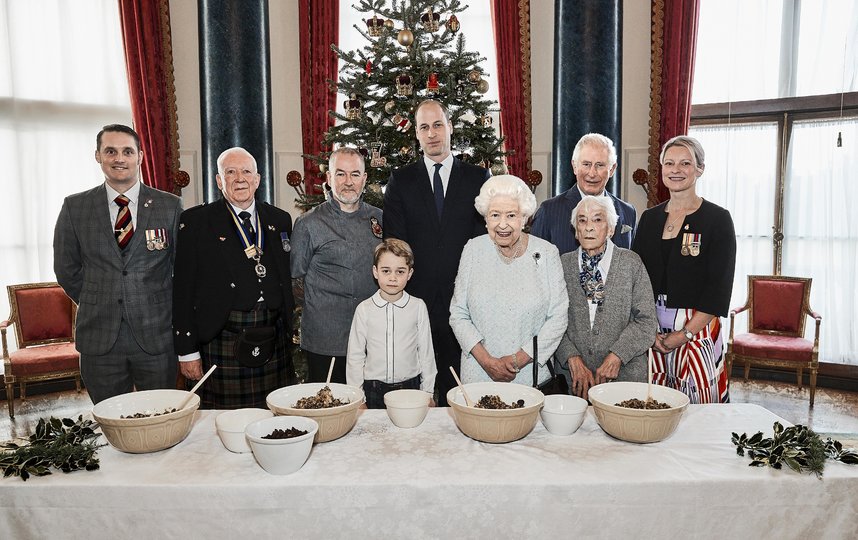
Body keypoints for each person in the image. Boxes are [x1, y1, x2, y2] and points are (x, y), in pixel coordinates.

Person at [53, 124, 182, 404]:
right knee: (111, 422)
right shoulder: (75, 207)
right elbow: (66, 269)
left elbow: (179, 269)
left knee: (160, 418)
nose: (119, 158)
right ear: (98, 156)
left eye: (127, 151)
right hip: (99, 339)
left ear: (141, 157)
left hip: (156, 337)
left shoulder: (169, 206)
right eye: (110, 151)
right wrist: (97, 299)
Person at [383, 99, 490, 405]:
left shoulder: (477, 179)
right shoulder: (401, 181)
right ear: (416, 134)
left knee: (462, 393)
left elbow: (484, 242)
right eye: (424, 127)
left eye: (438, 124)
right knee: (422, 392)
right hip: (417, 302)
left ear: (450, 127)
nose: (432, 134)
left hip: (465, 305)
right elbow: (396, 243)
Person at [172, 147, 296, 409]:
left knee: (277, 416)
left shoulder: (280, 219)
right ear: (219, 181)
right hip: (221, 336)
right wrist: (187, 350)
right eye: (230, 172)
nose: (240, 178)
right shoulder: (196, 222)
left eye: (246, 171)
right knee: (223, 422)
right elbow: (182, 289)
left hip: (273, 335)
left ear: (257, 179)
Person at [632, 135, 736, 404]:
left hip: (697, 328)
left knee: (699, 410)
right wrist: (647, 330)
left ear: (700, 169)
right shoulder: (649, 218)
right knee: (653, 405)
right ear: (662, 169)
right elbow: (636, 278)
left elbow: (718, 287)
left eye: (685, 163)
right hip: (652, 329)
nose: (676, 170)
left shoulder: (717, 219)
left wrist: (685, 333)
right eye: (669, 163)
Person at [449, 175, 568, 389]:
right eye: (495, 215)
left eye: (511, 215)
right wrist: (487, 361)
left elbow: (558, 318)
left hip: (531, 376)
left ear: (524, 218)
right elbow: (458, 313)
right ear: (485, 218)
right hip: (478, 374)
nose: (502, 225)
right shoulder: (473, 250)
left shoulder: (547, 253)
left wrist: (517, 360)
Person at [290, 147, 383, 384]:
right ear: (329, 179)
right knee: (329, 408)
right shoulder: (308, 223)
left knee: (371, 411)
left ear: (364, 179)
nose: (348, 182)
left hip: (372, 337)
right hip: (325, 338)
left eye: (355, 174)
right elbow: (295, 280)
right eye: (340, 174)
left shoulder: (380, 219)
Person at [554, 195, 658, 398]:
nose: (589, 227)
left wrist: (617, 355)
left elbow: (646, 322)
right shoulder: (561, 265)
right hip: (574, 381)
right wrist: (571, 357)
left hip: (626, 378)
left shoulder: (631, 263)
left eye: (597, 219)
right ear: (576, 230)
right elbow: (550, 321)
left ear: (610, 229)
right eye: (582, 220)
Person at [346, 239, 437, 408]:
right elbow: (355, 356)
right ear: (375, 271)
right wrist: (358, 398)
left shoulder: (418, 307)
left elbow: (426, 353)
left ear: (409, 274)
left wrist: (428, 392)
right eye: (386, 271)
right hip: (373, 390)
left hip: (411, 389)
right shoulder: (364, 309)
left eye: (400, 271)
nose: (393, 278)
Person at [530, 133, 637, 255]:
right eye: (586, 164)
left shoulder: (628, 212)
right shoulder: (549, 211)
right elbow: (534, 264)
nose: (592, 173)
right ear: (575, 166)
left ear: (612, 169)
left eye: (600, 165)